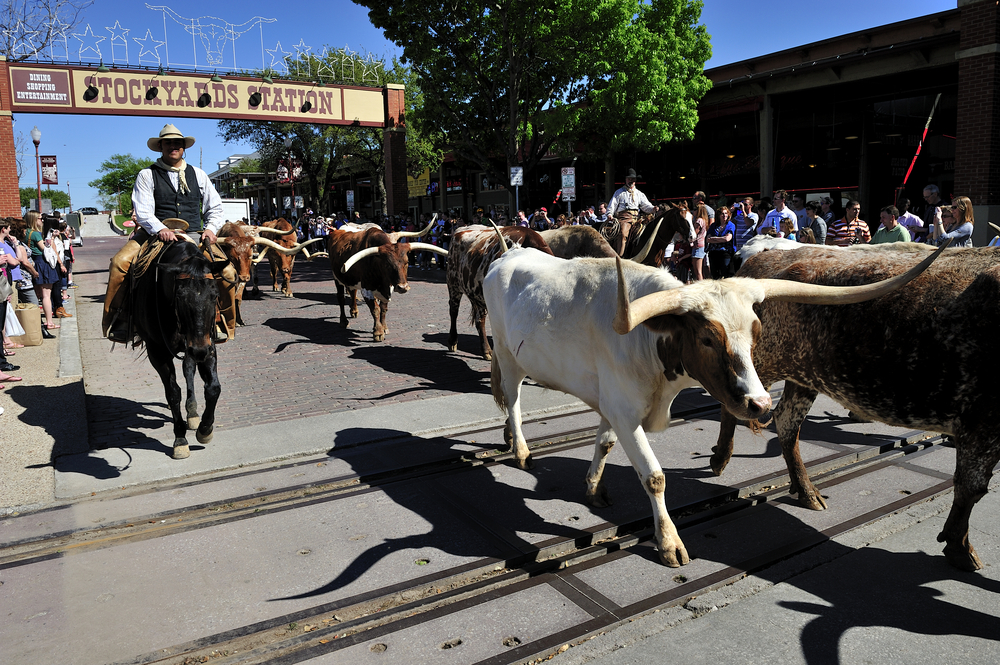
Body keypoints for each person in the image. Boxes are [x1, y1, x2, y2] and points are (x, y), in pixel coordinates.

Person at [102, 123, 232, 344]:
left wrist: (210, 228)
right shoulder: (147, 175)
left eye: (178, 143)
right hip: (154, 233)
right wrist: (160, 229)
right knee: (119, 263)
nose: (174, 146)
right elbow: (142, 210)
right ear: (160, 146)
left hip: (193, 233)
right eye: (169, 142)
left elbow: (215, 206)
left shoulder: (198, 174)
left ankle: (222, 322)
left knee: (227, 272)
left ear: (184, 148)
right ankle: (121, 319)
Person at [607, 168, 656, 255]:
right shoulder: (619, 192)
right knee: (622, 233)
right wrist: (610, 214)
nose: (631, 180)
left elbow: (646, 206)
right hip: (624, 218)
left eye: (633, 179)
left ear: (635, 180)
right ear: (625, 179)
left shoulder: (639, 194)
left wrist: (653, 208)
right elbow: (612, 204)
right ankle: (619, 257)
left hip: (637, 218)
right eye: (629, 178)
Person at [26, 211, 59, 335]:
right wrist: (52, 239)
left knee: (36, 294)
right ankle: (49, 322)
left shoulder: (26, 233)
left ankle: (37, 321)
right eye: (40, 218)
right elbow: (45, 250)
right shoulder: (35, 234)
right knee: (46, 295)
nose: (42, 221)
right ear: (34, 220)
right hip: (43, 263)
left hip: (34, 263)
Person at [706, 205, 735, 279]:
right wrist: (721, 239)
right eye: (722, 213)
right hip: (713, 252)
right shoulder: (713, 225)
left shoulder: (730, 225)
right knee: (715, 275)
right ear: (718, 215)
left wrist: (714, 238)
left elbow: (727, 239)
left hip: (725, 252)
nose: (724, 215)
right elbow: (708, 239)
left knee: (726, 273)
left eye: (726, 213)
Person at [690, 202, 709, 281]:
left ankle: (700, 285)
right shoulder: (704, 220)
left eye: (695, 209)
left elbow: (695, 233)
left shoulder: (699, 220)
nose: (693, 211)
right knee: (700, 270)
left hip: (697, 245)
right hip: (702, 245)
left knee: (697, 271)